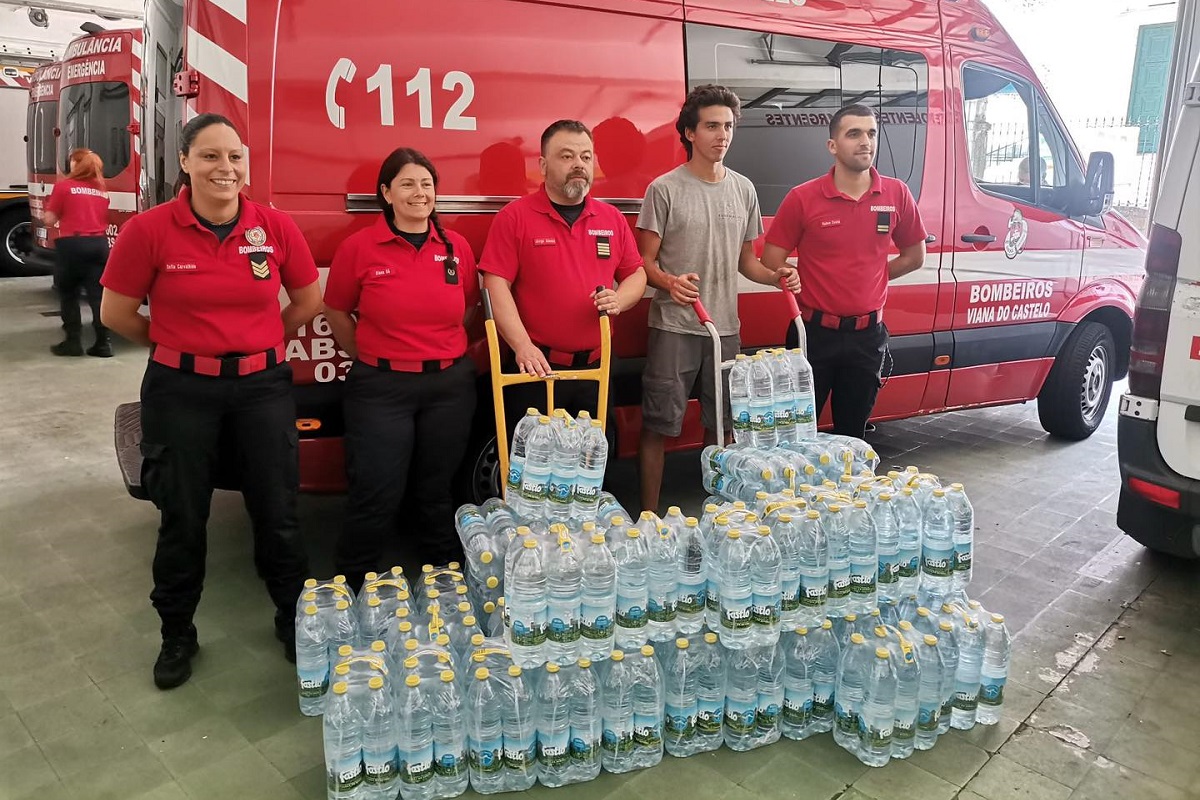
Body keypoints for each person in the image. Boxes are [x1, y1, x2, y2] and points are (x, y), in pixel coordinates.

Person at [99, 113, 323, 690]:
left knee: (278, 513)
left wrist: (261, 338)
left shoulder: (273, 226)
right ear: (185, 162)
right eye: (211, 156)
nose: (226, 168)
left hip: (263, 389)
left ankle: (293, 621)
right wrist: (181, 345)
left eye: (235, 157)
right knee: (183, 516)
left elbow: (306, 298)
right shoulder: (149, 230)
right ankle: (177, 633)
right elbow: (115, 314)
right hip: (181, 393)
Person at [636, 84, 799, 512]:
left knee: (722, 426)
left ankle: (720, 512)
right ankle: (650, 516)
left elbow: (749, 262)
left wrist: (777, 276)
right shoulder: (664, 189)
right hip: (674, 327)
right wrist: (670, 284)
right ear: (690, 132)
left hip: (724, 329)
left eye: (727, 126)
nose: (721, 135)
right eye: (711, 126)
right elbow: (643, 264)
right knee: (658, 426)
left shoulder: (744, 190)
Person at [324, 148, 479, 586]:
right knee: (376, 491)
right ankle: (351, 583)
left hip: (449, 386)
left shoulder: (455, 247)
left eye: (427, 184)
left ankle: (444, 577)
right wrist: (372, 355)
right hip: (381, 388)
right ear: (386, 193)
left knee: (435, 489)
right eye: (408, 184)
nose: (419, 193)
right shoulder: (359, 247)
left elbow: (467, 307)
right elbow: (337, 310)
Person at [761, 103, 926, 440]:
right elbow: (770, 258)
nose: (865, 141)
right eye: (854, 134)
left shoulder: (897, 194)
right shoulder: (803, 198)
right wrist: (788, 274)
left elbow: (914, 256)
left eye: (871, 133)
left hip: (868, 336)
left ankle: (845, 494)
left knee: (853, 438)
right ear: (832, 146)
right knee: (795, 438)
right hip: (812, 335)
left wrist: (873, 278)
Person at [480, 119, 646, 426]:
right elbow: (495, 284)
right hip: (536, 369)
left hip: (598, 368)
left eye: (585, 157)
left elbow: (636, 274)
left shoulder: (611, 218)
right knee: (534, 467)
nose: (578, 165)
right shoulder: (514, 217)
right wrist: (522, 346)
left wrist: (620, 300)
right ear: (543, 165)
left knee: (591, 468)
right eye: (566, 156)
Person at [43, 148, 112, 357]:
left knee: (69, 294)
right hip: (99, 245)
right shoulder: (102, 191)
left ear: (77, 164)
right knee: (98, 296)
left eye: (73, 161)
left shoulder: (64, 187)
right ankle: (103, 343)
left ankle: (73, 342)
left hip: (72, 244)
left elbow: (49, 219)